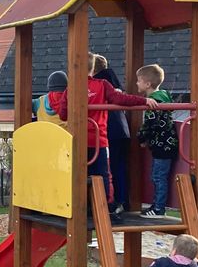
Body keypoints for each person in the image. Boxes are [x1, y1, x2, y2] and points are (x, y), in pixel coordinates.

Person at [58, 55, 157, 224]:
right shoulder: (102, 85)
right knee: (103, 175)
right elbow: (121, 99)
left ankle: (80, 207)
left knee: (78, 174)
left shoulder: (72, 88)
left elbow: (63, 113)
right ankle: (104, 208)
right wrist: (144, 100)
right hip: (98, 140)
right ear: (93, 69)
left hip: (78, 140)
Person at [134, 65, 178, 217]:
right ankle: (157, 205)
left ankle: (158, 208)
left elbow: (150, 124)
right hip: (168, 143)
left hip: (161, 145)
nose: (136, 84)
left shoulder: (152, 103)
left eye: (138, 81)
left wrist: (141, 137)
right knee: (159, 176)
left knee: (158, 177)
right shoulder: (164, 96)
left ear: (147, 84)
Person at [92, 54, 132, 214]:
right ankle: (122, 201)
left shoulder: (100, 84)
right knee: (119, 166)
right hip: (122, 130)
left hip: (108, 131)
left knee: (105, 168)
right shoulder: (114, 83)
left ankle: (111, 201)